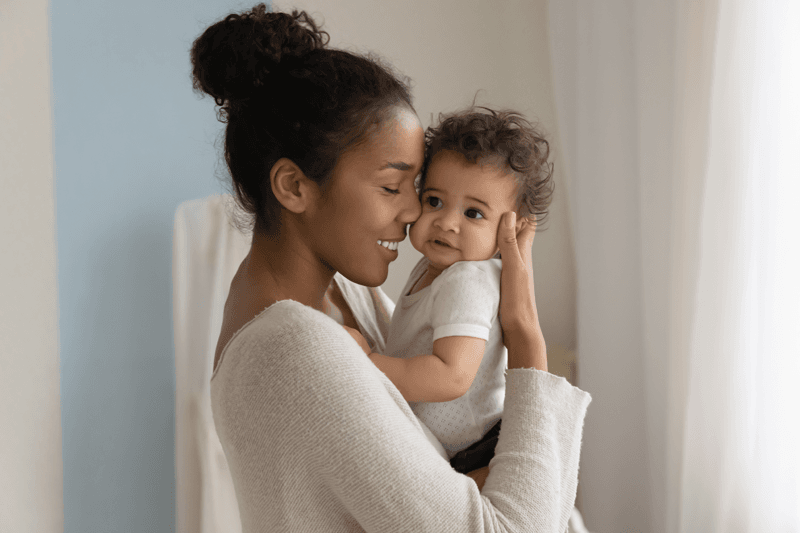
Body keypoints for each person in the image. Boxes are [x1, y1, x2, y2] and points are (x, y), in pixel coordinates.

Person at [193, 5, 591, 532]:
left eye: (414, 188)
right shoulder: (295, 349)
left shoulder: (342, 298)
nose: (412, 214)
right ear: (293, 187)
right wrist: (524, 333)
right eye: (391, 187)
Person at [346, 107, 554, 475]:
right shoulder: (435, 266)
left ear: (512, 229)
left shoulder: (466, 280)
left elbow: (452, 375)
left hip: (478, 450)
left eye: (473, 213)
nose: (446, 222)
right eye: (434, 201)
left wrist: (368, 365)